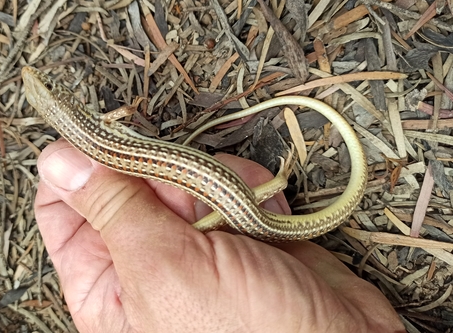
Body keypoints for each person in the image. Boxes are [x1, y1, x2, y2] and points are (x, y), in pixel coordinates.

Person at [35, 139, 406, 333]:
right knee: (233, 207)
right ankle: (278, 182)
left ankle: (276, 184)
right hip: (245, 210)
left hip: (244, 212)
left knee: (227, 209)